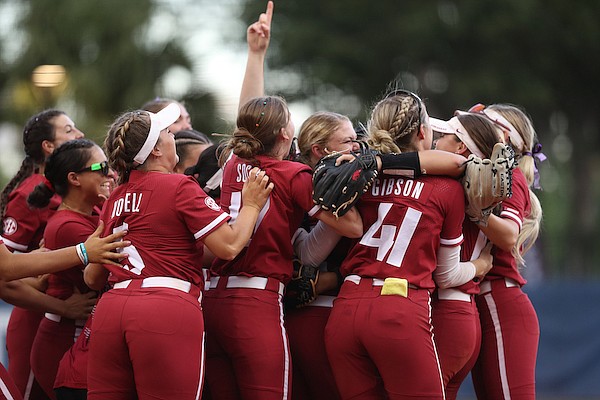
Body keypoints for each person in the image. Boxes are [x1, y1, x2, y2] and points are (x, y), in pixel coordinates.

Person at [83, 103, 273, 399]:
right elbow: (229, 246)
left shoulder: (115, 196)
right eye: (169, 132)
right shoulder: (178, 185)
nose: (174, 137)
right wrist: (251, 205)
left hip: (110, 308)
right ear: (156, 151)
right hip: (163, 307)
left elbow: (93, 277)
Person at [322, 89, 491, 400]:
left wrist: (373, 162)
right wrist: (480, 265)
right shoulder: (446, 187)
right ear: (422, 132)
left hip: (344, 309)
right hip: (398, 307)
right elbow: (446, 275)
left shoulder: (358, 177)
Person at [0, 109, 99, 400]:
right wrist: (80, 254)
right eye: (69, 130)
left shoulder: (74, 192)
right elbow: (6, 273)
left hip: (69, 313)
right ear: (48, 146)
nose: (80, 134)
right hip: (38, 314)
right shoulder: (30, 193)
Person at [25, 138, 113, 399]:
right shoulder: (67, 226)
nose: (109, 173)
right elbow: (112, 270)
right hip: (65, 338)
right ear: (74, 178)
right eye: (101, 166)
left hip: (77, 332)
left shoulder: (89, 213)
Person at [467, 103, 543, 400]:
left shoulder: (511, 175)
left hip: (498, 300)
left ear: (505, 139)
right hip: (481, 301)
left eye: (484, 124)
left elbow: (509, 236)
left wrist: (474, 210)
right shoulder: (479, 171)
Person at [429, 112, 505, 399]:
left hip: (447, 312)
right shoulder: (479, 187)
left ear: (461, 147)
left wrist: (479, 265)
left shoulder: (455, 190)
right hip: (461, 313)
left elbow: (445, 275)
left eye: (444, 136)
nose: (435, 141)